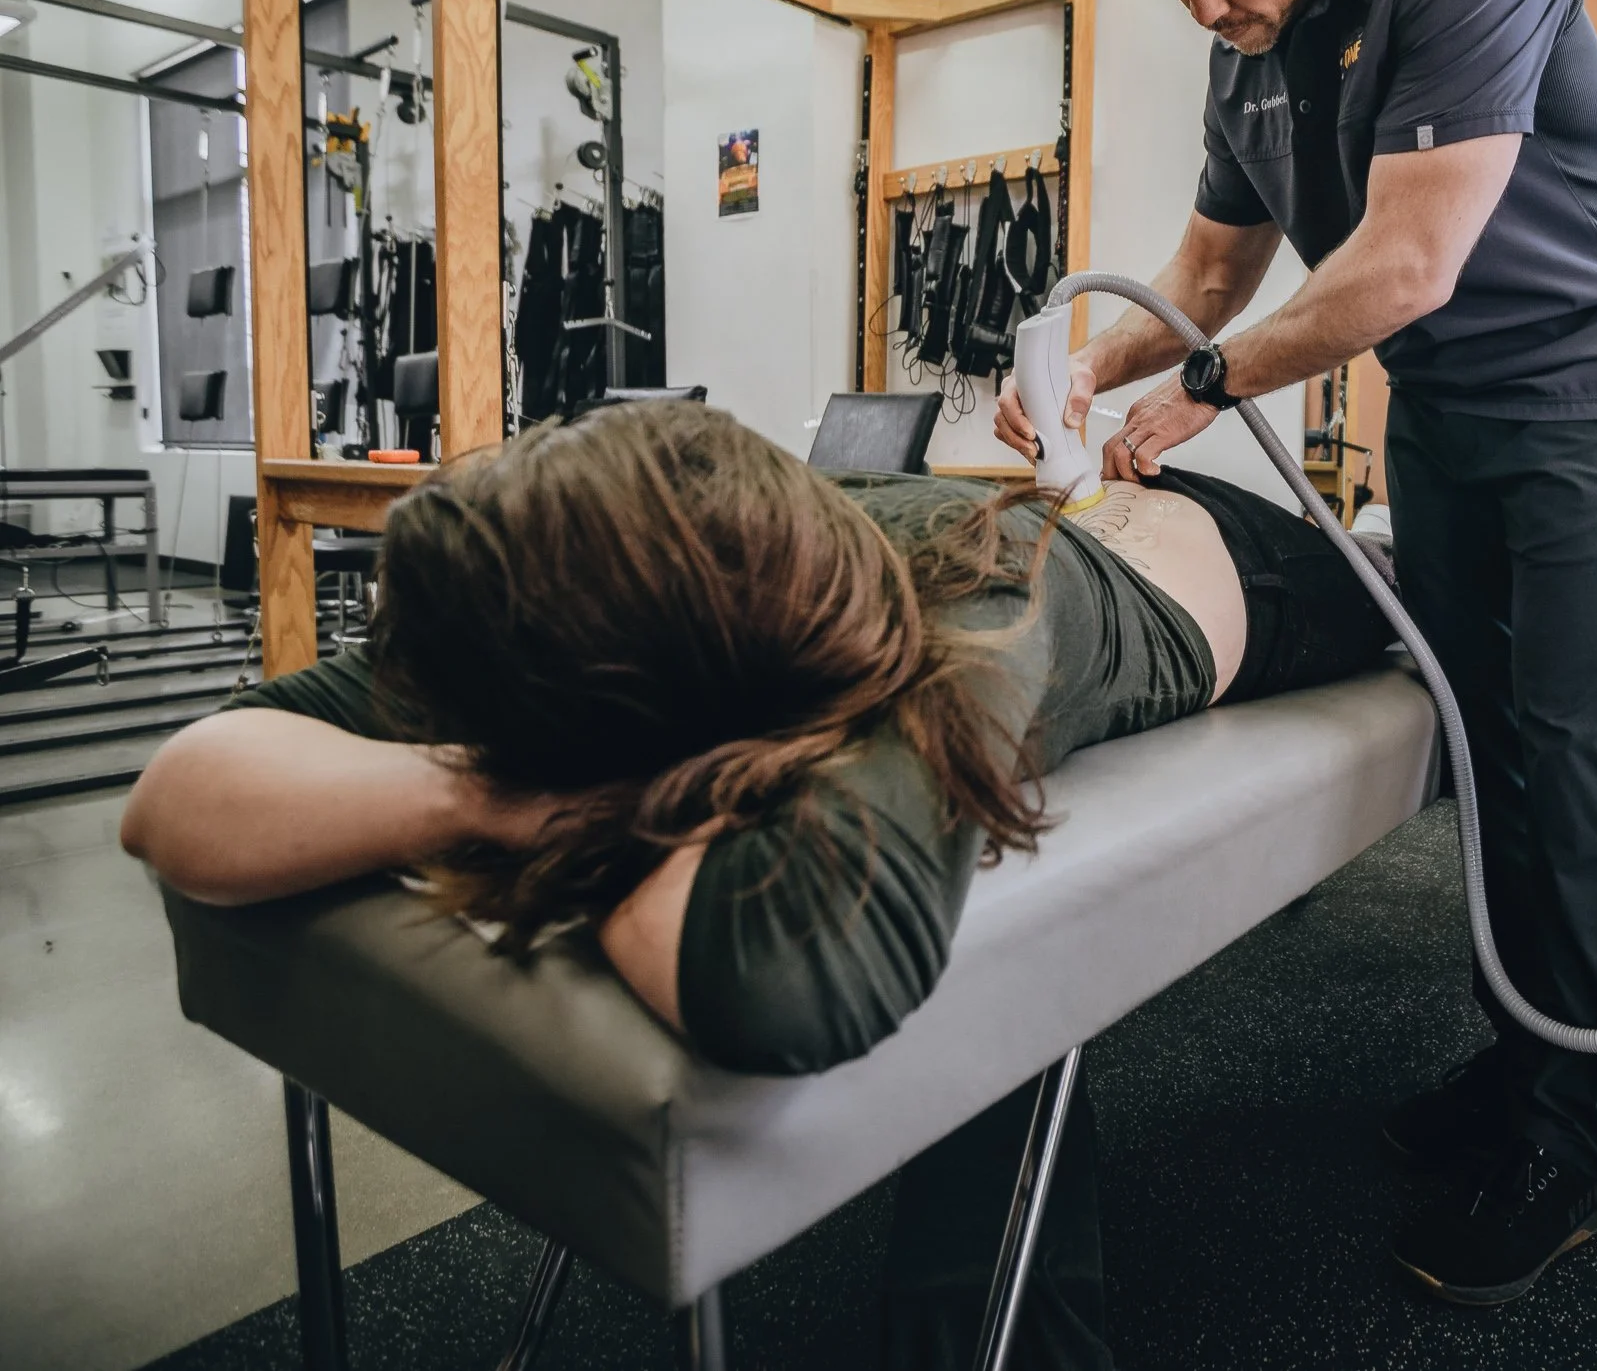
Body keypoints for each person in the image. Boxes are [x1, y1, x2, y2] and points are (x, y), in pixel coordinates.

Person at [122, 398, 1391, 1368]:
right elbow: (183, 788)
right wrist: (498, 793)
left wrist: (580, 789)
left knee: (1427, 581)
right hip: (979, 506)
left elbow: (780, 979)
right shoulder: (600, 583)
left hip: (1248, 568)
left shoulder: (966, 642)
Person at [996, 0, 1597, 1307]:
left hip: (1583, 400)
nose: (1204, 7)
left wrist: (1199, 385)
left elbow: (1412, 256)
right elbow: (1213, 263)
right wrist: (1079, 363)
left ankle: (1567, 1138)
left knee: (1575, 750)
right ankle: (1521, 1065)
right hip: (1442, 417)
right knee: (1481, 739)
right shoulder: (1243, 52)